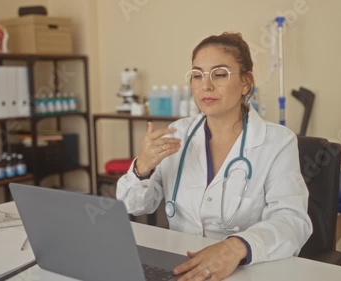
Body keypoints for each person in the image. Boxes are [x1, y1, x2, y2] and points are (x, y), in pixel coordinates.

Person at [117, 32, 312, 281]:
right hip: (181, 266)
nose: (205, 86)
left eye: (219, 74)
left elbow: (292, 222)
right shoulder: (178, 133)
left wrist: (235, 247)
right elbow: (134, 205)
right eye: (197, 75)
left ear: (246, 82)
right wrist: (141, 168)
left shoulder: (278, 142)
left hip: (246, 269)